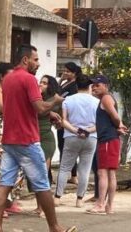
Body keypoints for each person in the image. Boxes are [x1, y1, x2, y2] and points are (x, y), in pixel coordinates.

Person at [0, 44, 75, 232]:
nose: (38, 63)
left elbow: (22, 108)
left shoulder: (8, 80)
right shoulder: (29, 79)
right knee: (42, 184)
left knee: (4, 183)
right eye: (36, 59)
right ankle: (54, 227)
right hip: (27, 139)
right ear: (25, 60)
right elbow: (40, 107)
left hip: (9, 139)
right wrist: (55, 101)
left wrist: (49, 113)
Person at [0, 61, 25, 215]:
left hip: (13, 131)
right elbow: (5, 108)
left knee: (17, 168)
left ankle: (9, 201)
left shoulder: (12, 90)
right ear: (2, 76)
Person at [54, 74, 99, 208]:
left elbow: (64, 120)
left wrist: (76, 131)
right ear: (89, 86)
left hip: (71, 136)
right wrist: (87, 131)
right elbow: (99, 124)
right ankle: (79, 200)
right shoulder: (96, 102)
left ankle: (57, 197)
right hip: (91, 138)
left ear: (76, 85)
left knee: (64, 168)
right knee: (84, 170)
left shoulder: (68, 100)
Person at [87, 74, 127, 215]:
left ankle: (100, 204)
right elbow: (110, 120)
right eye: (93, 86)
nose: (94, 88)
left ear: (106, 86)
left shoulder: (106, 98)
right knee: (110, 174)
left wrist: (119, 125)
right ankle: (108, 206)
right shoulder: (105, 99)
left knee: (102, 173)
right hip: (110, 139)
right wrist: (119, 126)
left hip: (107, 141)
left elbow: (115, 116)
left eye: (97, 85)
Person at [31, 75, 62, 217]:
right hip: (33, 138)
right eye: (40, 82)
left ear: (50, 86)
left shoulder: (52, 101)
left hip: (46, 139)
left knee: (42, 173)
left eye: (44, 83)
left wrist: (52, 113)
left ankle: (44, 208)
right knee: (34, 175)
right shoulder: (36, 98)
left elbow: (41, 111)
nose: (41, 84)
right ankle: (39, 206)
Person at [57, 62, 81, 184]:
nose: (65, 73)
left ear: (74, 73)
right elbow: (55, 93)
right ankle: (70, 174)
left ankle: (71, 175)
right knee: (62, 147)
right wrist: (60, 80)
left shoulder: (74, 87)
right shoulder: (66, 83)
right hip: (60, 118)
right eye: (64, 71)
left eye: (68, 71)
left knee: (67, 148)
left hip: (68, 120)